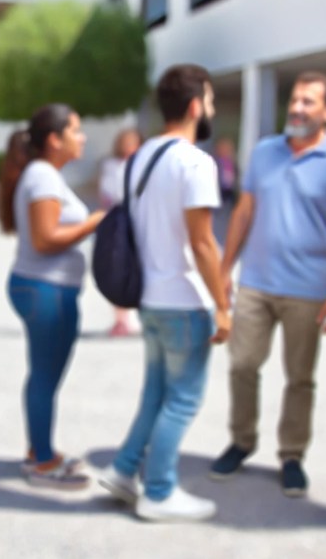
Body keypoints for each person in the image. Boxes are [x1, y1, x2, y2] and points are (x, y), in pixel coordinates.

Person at [209, 72, 326, 498]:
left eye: (309, 102)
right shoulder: (263, 152)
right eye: (295, 99)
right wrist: (223, 269)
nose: (297, 108)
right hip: (256, 282)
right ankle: (241, 441)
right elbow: (243, 211)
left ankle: (292, 455)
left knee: (299, 378)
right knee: (241, 365)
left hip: (308, 290)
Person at [97, 64, 231, 522]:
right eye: (210, 101)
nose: (210, 109)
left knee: (155, 394)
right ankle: (159, 491)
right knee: (183, 400)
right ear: (195, 106)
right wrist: (224, 306)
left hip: (149, 298)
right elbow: (203, 242)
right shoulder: (195, 162)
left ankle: (123, 469)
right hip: (184, 301)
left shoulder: (140, 158)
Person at [0, 106, 106, 489]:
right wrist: (96, 221)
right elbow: (45, 240)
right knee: (45, 376)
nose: (83, 137)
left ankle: (39, 450)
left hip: (47, 288)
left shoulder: (45, 175)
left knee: (46, 375)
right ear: (54, 139)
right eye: (76, 130)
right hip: (46, 288)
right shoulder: (43, 175)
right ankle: (42, 463)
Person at [99, 127, 143, 337]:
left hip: (136, 222)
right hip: (118, 223)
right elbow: (109, 192)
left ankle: (129, 316)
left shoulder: (141, 165)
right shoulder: (112, 166)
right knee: (117, 269)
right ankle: (120, 317)